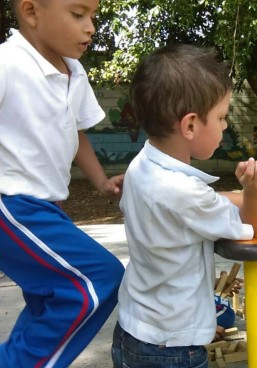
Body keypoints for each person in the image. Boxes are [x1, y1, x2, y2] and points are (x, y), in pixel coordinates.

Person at [110, 44, 257, 368]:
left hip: (136, 330)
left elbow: (205, 201)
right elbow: (250, 225)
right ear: (189, 125)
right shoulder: (184, 193)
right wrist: (256, 190)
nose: (225, 126)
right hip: (173, 349)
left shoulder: (143, 166)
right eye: (220, 117)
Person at [0, 0, 126, 366]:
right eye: (77, 14)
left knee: (50, 302)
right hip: (11, 204)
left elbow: (76, 133)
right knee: (96, 281)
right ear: (31, 12)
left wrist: (100, 180)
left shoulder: (74, 71)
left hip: (47, 208)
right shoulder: (8, 63)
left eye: (93, 17)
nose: (90, 27)